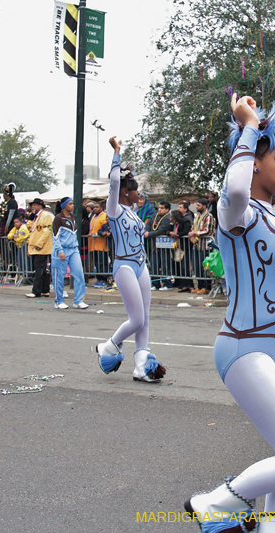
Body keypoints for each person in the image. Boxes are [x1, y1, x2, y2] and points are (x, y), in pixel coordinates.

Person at [184, 95, 275, 533]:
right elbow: (235, 187)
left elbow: (270, 295)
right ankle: (212, 503)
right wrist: (248, 124)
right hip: (242, 349)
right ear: (255, 161)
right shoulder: (236, 212)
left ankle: (271, 527)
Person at [95, 136, 167, 384]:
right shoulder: (113, 210)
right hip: (124, 265)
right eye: (136, 190)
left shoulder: (133, 212)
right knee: (135, 319)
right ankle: (109, 346)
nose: (140, 194)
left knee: (145, 318)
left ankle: (141, 366)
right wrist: (117, 153)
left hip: (140, 265)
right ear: (126, 192)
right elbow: (115, 181)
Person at [50, 197, 89, 310]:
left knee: (79, 274)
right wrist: (60, 251)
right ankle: (59, 300)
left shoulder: (72, 217)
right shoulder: (58, 218)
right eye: (70, 204)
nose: (73, 206)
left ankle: (78, 300)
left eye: (73, 203)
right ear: (64, 206)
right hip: (61, 250)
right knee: (59, 276)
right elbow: (55, 237)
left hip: (73, 249)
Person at [25, 198, 53, 298]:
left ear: (40, 205)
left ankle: (36, 291)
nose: (33, 207)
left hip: (41, 247)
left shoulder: (46, 215)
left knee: (39, 269)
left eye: (35, 205)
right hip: (35, 246)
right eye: (32, 205)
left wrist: (39, 243)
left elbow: (47, 231)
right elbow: (32, 230)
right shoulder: (36, 216)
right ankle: (45, 290)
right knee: (42, 270)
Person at [189, 198, 217, 294]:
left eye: (198, 205)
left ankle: (206, 287)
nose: (196, 207)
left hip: (205, 246)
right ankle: (199, 286)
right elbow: (193, 227)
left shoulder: (209, 216)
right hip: (197, 245)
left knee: (204, 268)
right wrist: (192, 235)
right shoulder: (197, 216)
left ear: (204, 206)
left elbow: (207, 231)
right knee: (197, 267)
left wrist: (194, 233)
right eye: (196, 205)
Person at [145, 201, 174, 290]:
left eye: (162, 208)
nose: (159, 209)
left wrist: (149, 234)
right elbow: (149, 224)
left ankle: (167, 284)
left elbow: (161, 230)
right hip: (155, 244)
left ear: (167, 209)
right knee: (153, 264)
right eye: (159, 207)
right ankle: (155, 284)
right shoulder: (155, 215)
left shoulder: (168, 217)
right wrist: (147, 231)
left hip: (164, 245)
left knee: (165, 265)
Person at [168, 209, 193, 292]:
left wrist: (177, 235)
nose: (170, 218)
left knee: (185, 267)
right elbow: (166, 230)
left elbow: (186, 231)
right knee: (180, 267)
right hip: (177, 247)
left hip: (185, 246)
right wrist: (169, 233)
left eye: (172, 217)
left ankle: (190, 285)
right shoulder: (174, 224)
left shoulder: (185, 222)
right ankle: (184, 284)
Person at [88, 201, 110, 287]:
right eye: (94, 207)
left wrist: (96, 234)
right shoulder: (93, 216)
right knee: (97, 263)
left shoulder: (104, 215)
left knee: (102, 262)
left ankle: (104, 280)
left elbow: (104, 228)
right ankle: (99, 279)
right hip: (94, 244)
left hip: (102, 244)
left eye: (97, 207)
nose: (95, 209)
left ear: (101, 208)